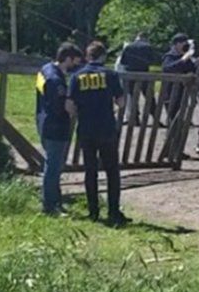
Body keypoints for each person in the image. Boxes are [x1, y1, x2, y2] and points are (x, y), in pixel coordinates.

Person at [66, 41, 130, 227]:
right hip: (106, 128)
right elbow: (121, 101)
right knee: (112, 171)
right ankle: (113, 211)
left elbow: (70, 105)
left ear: (87, 56)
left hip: (86, 129)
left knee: (90, 171)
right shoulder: (110, 75)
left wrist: (80, 114)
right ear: (102, 56)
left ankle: (93, 211)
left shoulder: (77, 76)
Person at [35, 42, 84, 216]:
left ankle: (55, 202)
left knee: (52, 164)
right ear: (67, 59)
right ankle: (50, 206)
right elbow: (66, 107)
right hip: (56, 127)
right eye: (74, 62)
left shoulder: (45, 69)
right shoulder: (56, 81)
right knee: (53, 167)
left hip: (43, 122)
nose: (75, 66)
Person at [117, 32, 157, 125]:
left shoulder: (128, 47)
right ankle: (155, 116)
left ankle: (135, 118)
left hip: (130, 75)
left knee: (133, 97)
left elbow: (123, 62)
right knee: (149, 97)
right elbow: (153, 61)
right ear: (145, 38)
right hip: (144, 74)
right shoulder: (148, 47)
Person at [161, 32, 197, 124]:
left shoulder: (186, 56)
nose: (185, 46)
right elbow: (167, 68)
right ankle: (171, 136)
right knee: (173, 117)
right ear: (177, 44)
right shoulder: (169, 56)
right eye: (183, 44)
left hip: (182, 91)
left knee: (180, 116)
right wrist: (183, 59)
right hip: (170, 91)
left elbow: (192, 69)